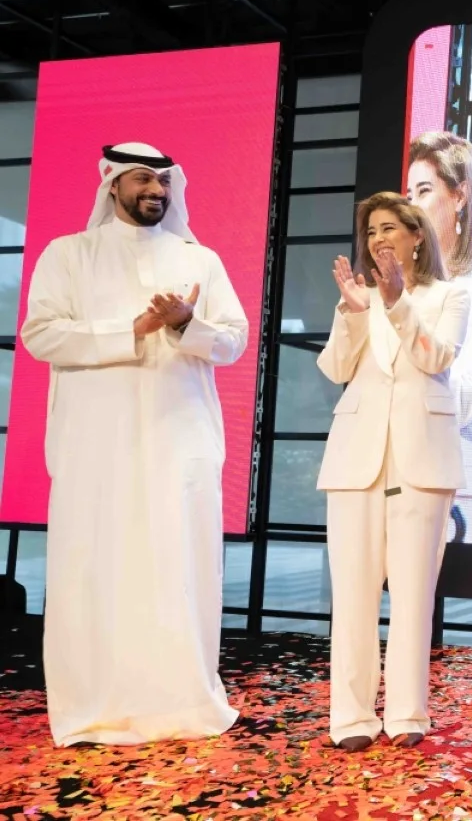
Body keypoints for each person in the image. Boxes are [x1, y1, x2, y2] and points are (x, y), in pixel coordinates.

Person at [21, 141, 248, 746]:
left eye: (164, 181)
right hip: (97, 444)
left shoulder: (198, 259)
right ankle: (97, 703)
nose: (156, 190)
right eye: (143, 179)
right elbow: (41, 334)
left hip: (180, 439)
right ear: (112, 185)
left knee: (176, 561)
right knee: (99, 564)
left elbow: (233, 341)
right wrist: (132, 329)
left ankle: (179, 700)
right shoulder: (68, 255)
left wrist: (183, 324)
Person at [315, 192, 469, 751]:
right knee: (353, 595)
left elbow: (436, 358)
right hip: (356, 458)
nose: (379, 239)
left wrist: (398, 302)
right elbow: (335, 369)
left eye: (390, 228)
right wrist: (354, 314)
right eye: (372, 231)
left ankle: (407, 715)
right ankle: (351, 718)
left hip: (422, 460)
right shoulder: (359, 300)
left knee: (412, 597)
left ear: (417, 236)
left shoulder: (451, 295)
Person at [407, 131, 472, 546]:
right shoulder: (405, 288)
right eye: (408, 193)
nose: (410, 205)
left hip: (460, 496)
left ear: (460, 196)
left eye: (424, 191)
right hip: (397, 486)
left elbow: (467, 399)